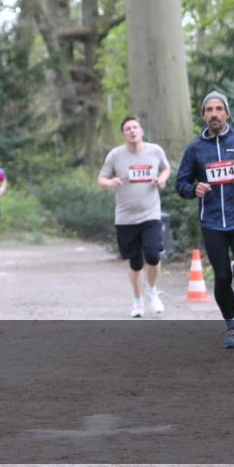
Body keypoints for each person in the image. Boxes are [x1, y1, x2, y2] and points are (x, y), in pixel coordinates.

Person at [175, 91, 234, 349]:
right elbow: (180, 183)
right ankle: (232, 326)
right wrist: (194, 189)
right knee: (222, 276)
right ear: (203, 115)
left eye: (218, 109)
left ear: (226, 113)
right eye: (209, 110)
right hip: (212, 222)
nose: (214, 114)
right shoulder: (195, 149)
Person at [97, 116, 171, 317]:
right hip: (126, 218)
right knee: (136, 263)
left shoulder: (155, 151)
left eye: (135, 127)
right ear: (123, 134)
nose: (132, 131)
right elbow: (101, 179)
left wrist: (162, 180)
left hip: (151, 214)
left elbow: (166, 168)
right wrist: (110, 183)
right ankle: (138, 301)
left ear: (141, 131)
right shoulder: (115, 155)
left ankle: (152, 290)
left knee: (153, 255)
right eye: (128, 128)